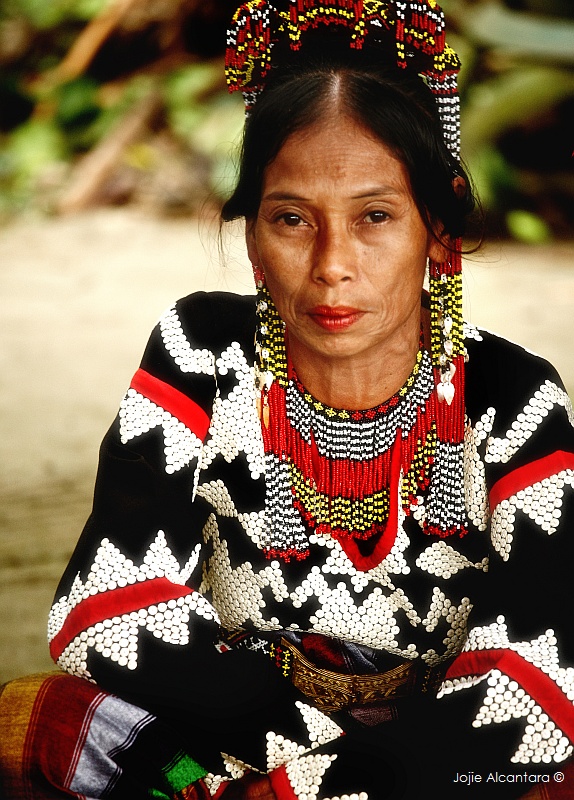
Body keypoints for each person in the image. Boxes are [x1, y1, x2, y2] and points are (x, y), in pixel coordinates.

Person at [1, 1, 574, 798]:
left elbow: (534, 683)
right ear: (251, 236)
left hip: (432, 767)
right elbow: (104, 604)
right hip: (241, 745)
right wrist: (300, 751)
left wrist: (311, 789)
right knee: (43, 716)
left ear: (439, 231)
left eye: (376, 216)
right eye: (291, 219)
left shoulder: (516, 398)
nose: (332, 263)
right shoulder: (200, 351)